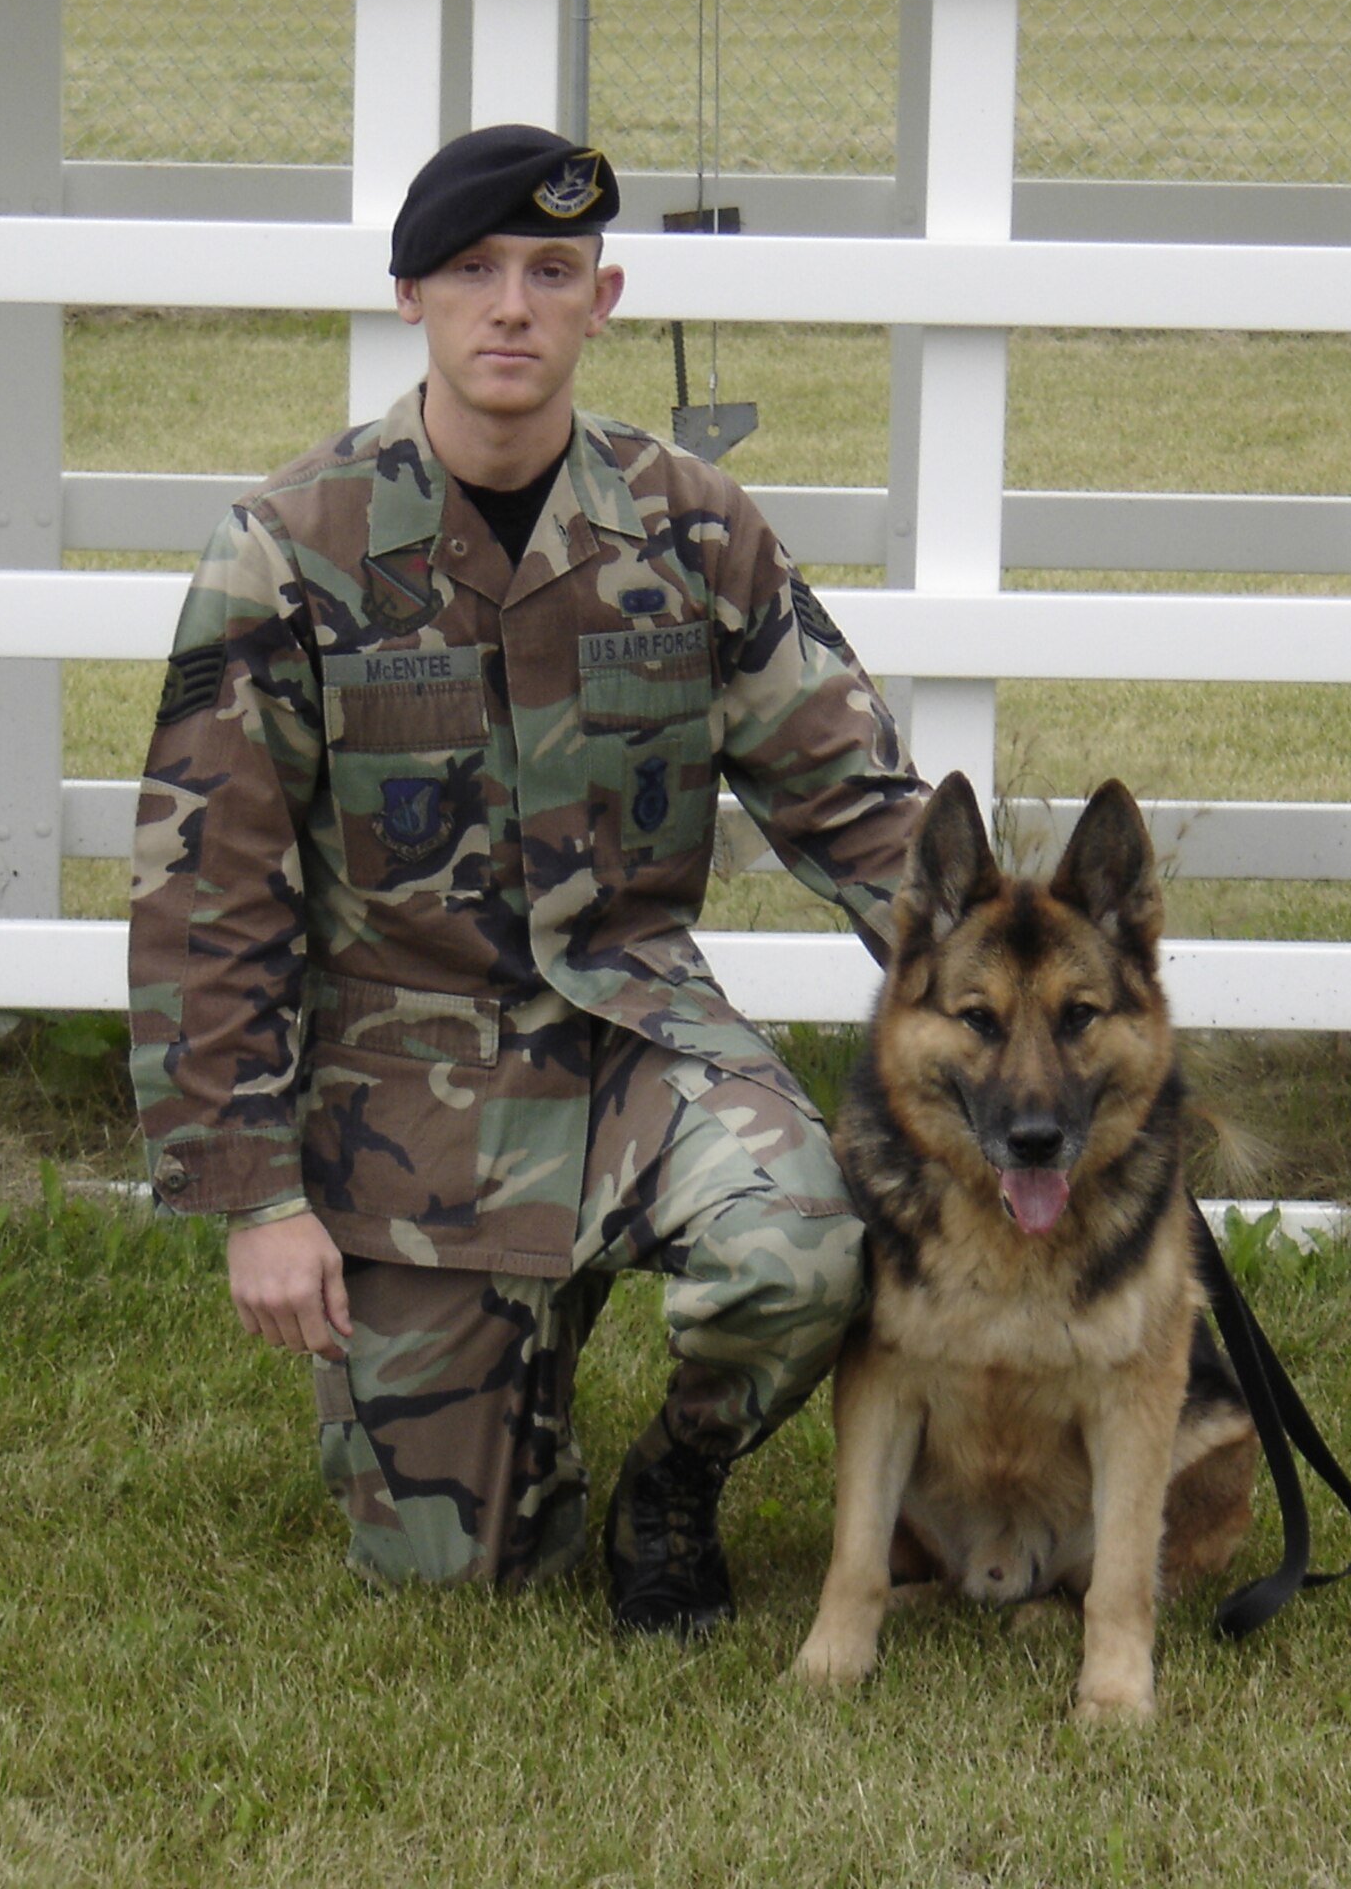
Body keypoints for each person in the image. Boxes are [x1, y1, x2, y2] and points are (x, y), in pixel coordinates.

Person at [128, 123, 929, 1634]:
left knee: (804, 1242)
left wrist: (1028, 1003)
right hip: (406, 1092)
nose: (512, 306)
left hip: (633, 1041)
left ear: (602, 298)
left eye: (550, 273)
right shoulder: (290, 555)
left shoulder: (688, 526)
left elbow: (857, 805)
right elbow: (204, 896)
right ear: (413, 296)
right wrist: (253, 1196)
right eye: (475, 271)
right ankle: (492, 1392)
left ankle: (673, 1484)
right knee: (465, 1567)